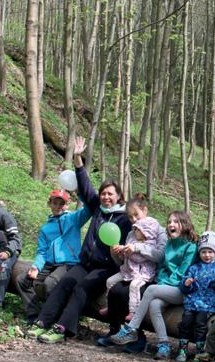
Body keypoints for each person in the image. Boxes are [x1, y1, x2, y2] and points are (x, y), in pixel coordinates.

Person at [28, 137, 131, 343]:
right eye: (103, 193)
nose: (105, 197)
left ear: (119, 197)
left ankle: (63, 328)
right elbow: (85, 188)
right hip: (85, 262)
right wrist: (78, 160)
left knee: (81, 288)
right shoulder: (97, 209)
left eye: (110, 194)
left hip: (106, 268)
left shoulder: (125, 218)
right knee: (65, 282)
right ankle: (43, 322)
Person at [106, 211, 198, 358]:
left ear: (185, 225)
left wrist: (162, 285)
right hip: (165, 288)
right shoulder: (169, 244)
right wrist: (162, 283)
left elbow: (181, 274)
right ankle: (164, 345)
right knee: (154, 305)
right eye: (169, 222)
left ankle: (131, 329)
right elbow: (161, 268)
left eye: (175, 222)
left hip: (182, 290)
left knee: (151, 290)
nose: (171, 225)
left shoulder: (191, 247)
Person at [15, 189, 91, 325]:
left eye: (61, 204)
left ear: (67, 205)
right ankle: (34, 314)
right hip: (50, 264)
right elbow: (42, 251)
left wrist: (79, 191)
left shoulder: (73, 219)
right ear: (49, 204)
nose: (58, 206)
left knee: (50, 283)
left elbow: (89, 208)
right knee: (22, 280)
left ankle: (56, 319)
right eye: (54, 203)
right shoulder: (46, 228)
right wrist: (36, 267)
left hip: (69, 263)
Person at [103, 194, 167, 334]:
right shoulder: (131, 234)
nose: (133, 220)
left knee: (124, 293)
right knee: (114, 288)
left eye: (136, 215)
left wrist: (138, 248)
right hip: (131, 272)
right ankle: (114, 331)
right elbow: (123, 261)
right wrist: (117, 252)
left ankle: (136, 336)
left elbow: (160, 257)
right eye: (130, 217)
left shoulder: (159, 231)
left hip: (149, 275)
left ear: (145, 210)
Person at [175, 231, 215, 362]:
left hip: (210, 303)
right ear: (199, 253)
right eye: (203, 252)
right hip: (193, 302)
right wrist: (187, 284)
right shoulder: (194, 268)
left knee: (201, 323)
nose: (207, 255)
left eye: (210, 252)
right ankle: (182, 349)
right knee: (185, 322)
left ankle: (199, 350)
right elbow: (184, 288)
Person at [103, 216, 161, 321]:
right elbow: (126, 258)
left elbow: (139, 259)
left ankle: (133, 311)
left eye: (137, 229)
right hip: (128, 271)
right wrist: (120, 252)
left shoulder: (150, 244)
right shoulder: (132, 240)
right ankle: (109, 306)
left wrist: (129, 251)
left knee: (134, 286)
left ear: (145, 231)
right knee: (110, 281)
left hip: (143, 274)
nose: (134, 231)